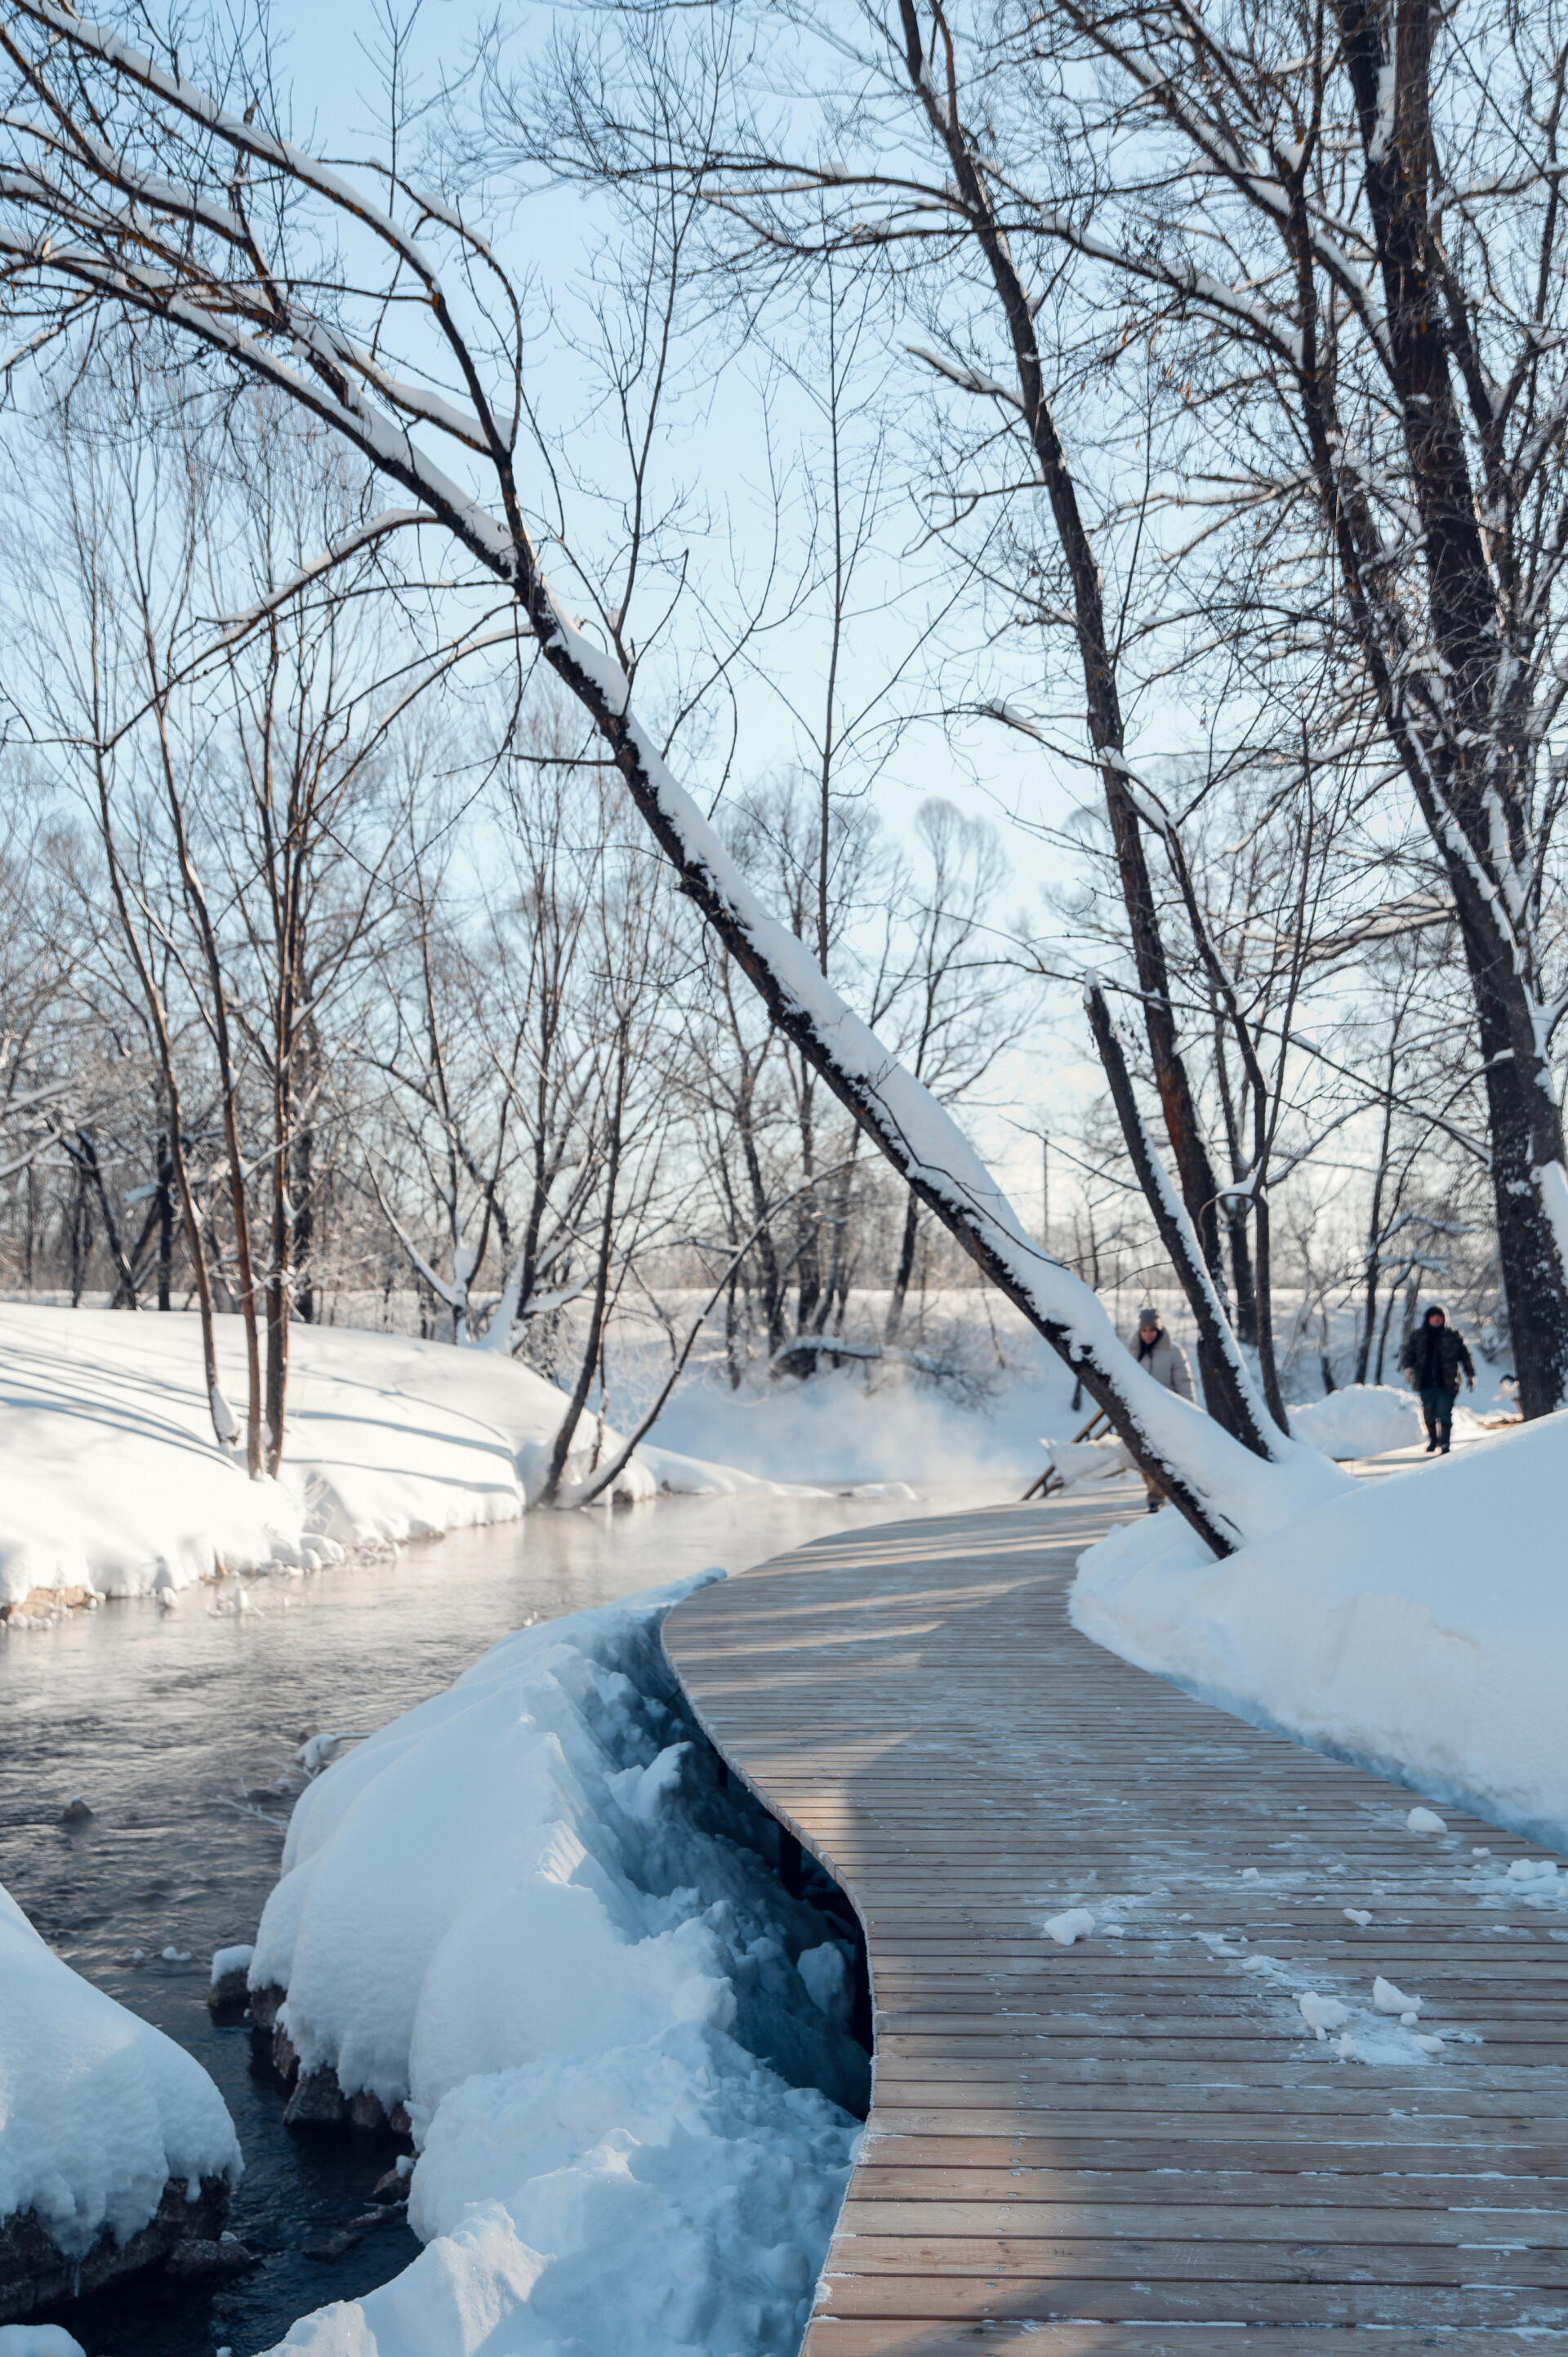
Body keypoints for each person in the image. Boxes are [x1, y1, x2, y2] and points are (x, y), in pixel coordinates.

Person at [1129, 1305, 1193, 1512]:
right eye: (1144, 1330)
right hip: (1140, 1414)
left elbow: (1184, 1382)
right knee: (1143, 1458)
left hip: (1167, 1414)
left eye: (1152, 1330)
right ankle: (1157, 1493)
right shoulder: (1132, 1351)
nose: (1148, 1334)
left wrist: (1189, 1410)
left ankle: (1156, 1498)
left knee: (1162, 1456)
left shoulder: (1173, 1351)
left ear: (1159, 1330)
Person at [1399, 1303, 1475, 1455]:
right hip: (1425, 1382)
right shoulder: (1418, 1336)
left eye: (1439, 1317)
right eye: (1434, 1317)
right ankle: (1434, 1440)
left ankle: (1445, 1444)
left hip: (1447, 1383)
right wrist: (1408, 1368)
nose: (1437, 1320)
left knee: (1444, 1413)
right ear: (1428, 1319)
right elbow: (1408, 1353)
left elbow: (1466, 1356)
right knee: (1429, 1415)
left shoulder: (1453, 1335)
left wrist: (1470, 1374)